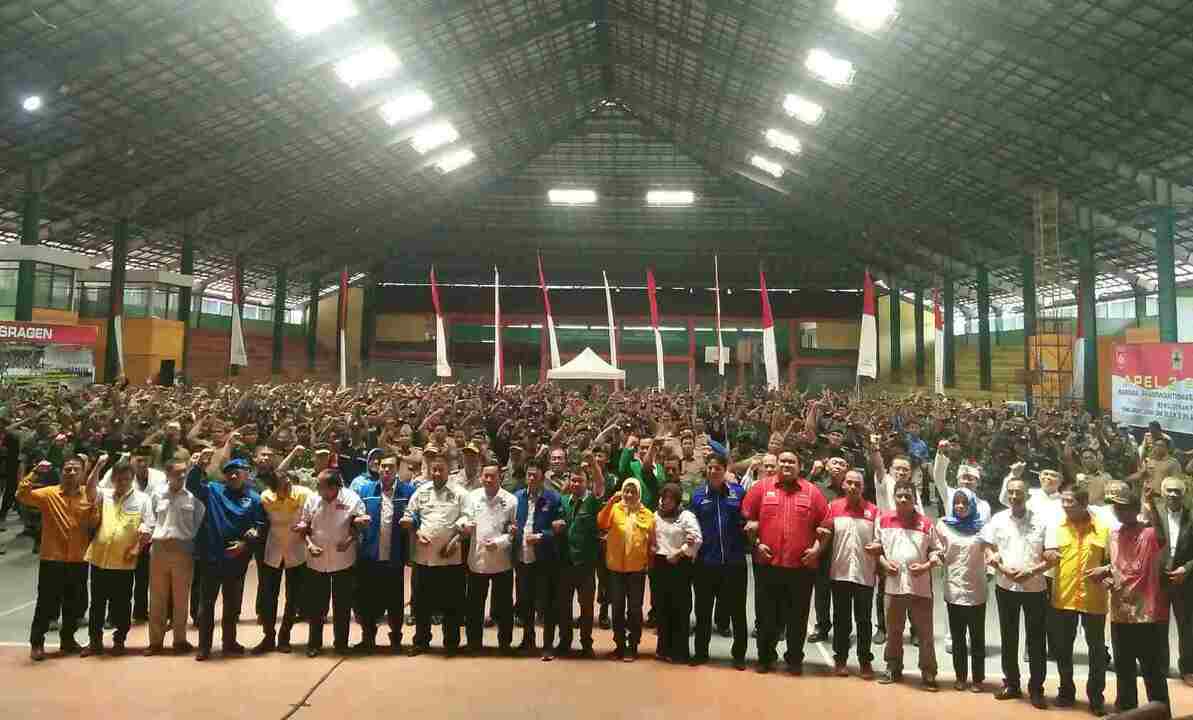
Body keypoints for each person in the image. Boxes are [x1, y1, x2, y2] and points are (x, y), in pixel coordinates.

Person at [742, 450, 827, 674]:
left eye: (792, 462)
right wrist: (756, 543)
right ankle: (765, 657)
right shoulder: (761, 488)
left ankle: (794, 659)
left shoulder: (813, 492)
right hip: (767, 565)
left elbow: (826, 526)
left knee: (797, 617)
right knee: (766, 615)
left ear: (800, 466)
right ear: (777, 464)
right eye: (783, 461)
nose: (787, 465)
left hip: (801, 568)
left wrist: (817, 550)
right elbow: (747, 520)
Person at [1096, 482, 1170, 713]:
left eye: (1123, 507)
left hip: (1146, 615)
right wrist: (1105, 577)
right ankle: (1126, 712)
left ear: (1134, 508)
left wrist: (1151, 504)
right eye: (1115, 507)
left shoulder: (1149, 533)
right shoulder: (1113, 535)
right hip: (1120, 614)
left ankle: (1161, 714)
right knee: (1124, 671)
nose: (1118, 511)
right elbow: (1113, 567)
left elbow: (1161, 536)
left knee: (1153, 672)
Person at [186, 455, 265, 661]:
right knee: (206, 604)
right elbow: (192, 485)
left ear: (246, 474)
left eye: (237, 472)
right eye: (229, 473)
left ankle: (229, 642)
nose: (233, 476)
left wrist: (245, 544)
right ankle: (204, 647)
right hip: (211, 557)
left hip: (236, 559)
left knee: (232, 605)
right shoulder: (213, 490)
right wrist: (198, 467)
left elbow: (259, 526)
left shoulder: (255, 499)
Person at [981, 474, 1049, 709]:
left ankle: (1037, 689)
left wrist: (1032, 571)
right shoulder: (998, 519)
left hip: (1035, 587)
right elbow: (987, 546)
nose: (1014, 496)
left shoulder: (1041, 521)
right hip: (1006, 586)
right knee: (1008, 637)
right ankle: (1011, 683)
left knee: (1036, 640)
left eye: (1018, 492)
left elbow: (1052, 555)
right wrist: (1000, 566)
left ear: (1027, 495)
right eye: (1010, 492)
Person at [18, 455, 94, 661]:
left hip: (78, 558)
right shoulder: (48, 494)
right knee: (46, 603)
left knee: (74, 604)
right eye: (67, 469)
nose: (71, 473)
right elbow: (22, 495)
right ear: (61, 472)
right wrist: (35, 473)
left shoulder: (89, 494)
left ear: (83, 473)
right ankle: (37, 643)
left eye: (76, 469)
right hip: (52, 558)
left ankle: (68, 640)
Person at [1044, 481, 1109, 716]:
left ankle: (1096, 698)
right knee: (1062, 649)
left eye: (1069, 501)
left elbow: (1113, 561)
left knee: (1097, 651)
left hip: (1094, 600)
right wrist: (1046, 554)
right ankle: (1066, 691)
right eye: (1063, 501)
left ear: (1084, 503)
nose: (1064, 505)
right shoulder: (1056, 528)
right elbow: (1045, 556)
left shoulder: (1103, 529)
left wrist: (1106, 570)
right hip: (1063, 598)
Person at [82, 458, 154, 657]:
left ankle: (119, 640)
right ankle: (94, 642)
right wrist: (98, 466)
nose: (122, 483)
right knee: (97, 604)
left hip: (124, 562)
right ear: (113, 479)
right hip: (99, 559)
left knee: (122, 605)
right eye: (119, 479)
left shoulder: (143, 500)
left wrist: (138, 548)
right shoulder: (104, 495)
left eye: (126, 479)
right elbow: (89, 490)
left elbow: (149, 525)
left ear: (132, 479)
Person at [876, 478, 941, 691]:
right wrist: (884, 564)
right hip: (893, 587)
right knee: (894, 631)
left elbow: (937, 551)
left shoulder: (926, 523)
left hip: (921, 587)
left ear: (915, 499)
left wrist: (926, 566)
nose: (903, 499)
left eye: (908, 496)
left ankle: (928, 671)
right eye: (900, 496)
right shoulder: (884, 520)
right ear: (894, 497)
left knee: (925, 633)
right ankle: (893, 667)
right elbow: (878, 548)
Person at [401, 453, 466, 656]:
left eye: (440, 470)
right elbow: (409, 515)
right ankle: (421, 642)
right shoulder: (421, 492)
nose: (436, 473)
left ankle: (451, 644)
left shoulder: (459, 493)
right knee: (421, 604)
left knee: (451, 605)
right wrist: (416, 531)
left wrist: (455, 541)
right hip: (424, 558)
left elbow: (468, 518)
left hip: (450, 557)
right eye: (434, 470)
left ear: (448, 471)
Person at [817, 468, 879, 679]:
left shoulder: (874, 512)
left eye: (857, 484)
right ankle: (841, 659)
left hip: (865, 574)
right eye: (849, 483)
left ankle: (865, 661)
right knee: (841, 619)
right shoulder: (832, 507)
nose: (853, 487)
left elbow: (880, 540)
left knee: (864, 621)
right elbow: (823, 534)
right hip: (839, 573)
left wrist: (878, 547)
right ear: (843, 485)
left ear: (864, 487)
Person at [299, 469, 368, 657]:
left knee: (342, 605)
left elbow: (360, 525)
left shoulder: (352, 499)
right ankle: (314, 644)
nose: (317, 489)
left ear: (334, 487)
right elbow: (304, 527)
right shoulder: (312, 500)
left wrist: (349, 540)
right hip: (317, 560)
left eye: (320, 486)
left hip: (343, 561)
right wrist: (310, 544)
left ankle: (341, 644)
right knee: (316, 606)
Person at [691, 450, 749, 669]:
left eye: (718, 468)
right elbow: (690, 526)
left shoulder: (738, 493)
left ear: (725, 471)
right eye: (710, 468)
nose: (714, 471)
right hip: (705, 564)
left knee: (737, 612)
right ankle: (701, 653)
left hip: (734, 564)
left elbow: (748, 519)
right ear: (706, 470)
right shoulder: (698, 496)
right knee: (703, 611)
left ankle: (739, 655)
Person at [355, 453, 415, 654]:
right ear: (377, 468)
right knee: (368, 600)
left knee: (395, 601)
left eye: (390, 466)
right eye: (383, 466)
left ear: (397, 469)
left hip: (395, 557)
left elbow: (416, 516)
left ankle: (396, 639)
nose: (386, 470)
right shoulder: (366, 490)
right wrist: (357, 521)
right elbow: (354, 515)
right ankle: (368, 638)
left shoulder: (408, 492)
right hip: (370, 556)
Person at [145, 459, 206, 655]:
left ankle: (180, 640)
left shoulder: (192, 497)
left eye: (184, 472)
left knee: (181, 598)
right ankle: (155, 642)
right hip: (159, 549)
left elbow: (199, 521)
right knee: (157, 598)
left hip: (183, 549)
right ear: (167, 474)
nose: (182, 475)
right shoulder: (157, 494)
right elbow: (150, 519)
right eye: (177, 472)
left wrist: (188, 540)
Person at [254, 467, 314, 654]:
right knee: (268, 597)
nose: (288, 488)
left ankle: (284, 637)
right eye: (282, 486)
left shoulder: (304, 494)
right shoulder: (265, 498)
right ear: (274, 489)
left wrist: (307, 525)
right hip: (274, 551)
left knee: (293, 597)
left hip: (297, 551)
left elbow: (315, 513)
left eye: (288, 483)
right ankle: (268, 636)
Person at [459, 463, 516, 654]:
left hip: (502, 561)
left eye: (493, 476)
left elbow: (514, 532)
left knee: (504, 606)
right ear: (481, 477)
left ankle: (505, 644)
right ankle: (474, 643)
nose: (489, 480)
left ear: (500, 477)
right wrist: (464, 525)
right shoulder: (472, 497)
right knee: (474, 606)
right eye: (486, 476)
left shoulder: (511, 500)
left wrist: (499, 542)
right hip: (477, 560)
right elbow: (464, 518)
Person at [936, 487, 988, 692]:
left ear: (972, 505)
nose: (960, 506)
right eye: (956, 502)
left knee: (977, 638)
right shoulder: (944, 525)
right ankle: (960, 677)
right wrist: (936, 556)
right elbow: (937, 549)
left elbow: (991, 551)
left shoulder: (983, 528)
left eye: (964, 503)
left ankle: (978, 679)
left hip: (976, 589)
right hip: (954, 589)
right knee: (957, 638)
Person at [597, 477, 654, 661]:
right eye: (626, 491)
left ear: (639, 494)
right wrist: (610, 502)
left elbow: (652, 540)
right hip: (615, 568)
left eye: (633, 492)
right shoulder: (615, 509)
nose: (629, 495)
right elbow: (601, 523)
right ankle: (619, 645)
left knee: (635, 609)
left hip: (637, 569)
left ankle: (633, 646)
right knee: (617, 608)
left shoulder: (647, 514)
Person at [512, 459, 563, 660]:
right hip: (522, 558)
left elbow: (560, 528)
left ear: (542, 477)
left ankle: (548, 645)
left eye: (535, 475)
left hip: (545, 559)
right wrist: (510, 528)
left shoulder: (553, 498)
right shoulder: (517, 497)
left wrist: (541, 536)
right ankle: (528, 639)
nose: (531, 478)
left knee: (547, 604)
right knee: (525, 602)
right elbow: (511, 522)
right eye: (529, 475)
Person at [556, 454, 606, 658]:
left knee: (586, 608)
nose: (576, 484)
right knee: (564, 606)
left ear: (586, 483)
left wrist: (593, 464)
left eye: (580, 481)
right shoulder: (563, 501)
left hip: (585, 564)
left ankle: (586, 643)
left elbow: (600, 484)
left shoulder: (592, 501)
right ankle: (565, 642)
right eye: (573, 480)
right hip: (565, 563)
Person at [652, 482, 701, 663]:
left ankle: (679, 651)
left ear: (677, 501)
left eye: (670, 499)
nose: (665, 501)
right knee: (662, 607)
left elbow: (696, 539)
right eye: (663, 498)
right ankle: (663, 649)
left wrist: (680, 553)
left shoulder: (686, 516)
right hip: (660, 565)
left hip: (680, 565)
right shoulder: (656, 516)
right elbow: (651, 537)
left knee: (680, 608)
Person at [1158, 476, 1193, 686]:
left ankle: (1188, 669)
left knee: (1187, 627)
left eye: (1177, 491)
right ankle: (1160, 666)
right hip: (1159, 580)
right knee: (1158, 626)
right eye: (1169, 490)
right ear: (1163, 493)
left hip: (1185, 580)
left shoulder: (1192, 517)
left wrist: (1186, 569)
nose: (1172, 494)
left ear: (1184, 494)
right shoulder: (1154, 515)